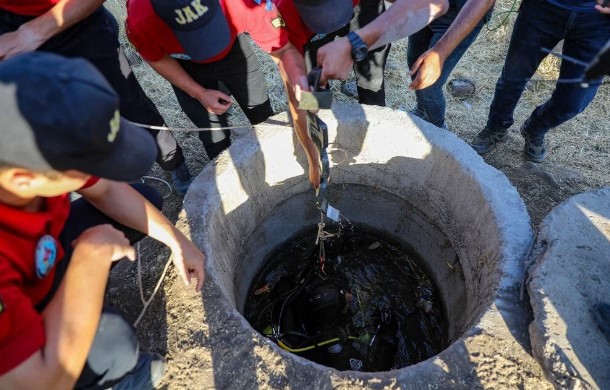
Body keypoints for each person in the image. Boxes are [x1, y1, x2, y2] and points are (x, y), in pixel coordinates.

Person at [0, 52, 205, 389]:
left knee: (146, 202)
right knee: (114, 341)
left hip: (41, 251)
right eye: (92, 163)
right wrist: (88, 261)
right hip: (19, 332)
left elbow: (107, 190)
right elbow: (40, 383)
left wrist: (177, 241)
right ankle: (116, 378)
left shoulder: (25, 148)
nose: (102, 174)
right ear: (25, 179)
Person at [0, 0, 194, 195]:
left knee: (130, 104)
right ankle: (114, 183)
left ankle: (174, 163)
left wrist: (33, 32)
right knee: (63, 122)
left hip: (79, 21)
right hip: (11, 32)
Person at [126, 0, 320, 184]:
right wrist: (199, 93)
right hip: (185, 66)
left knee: (259, 109)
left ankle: (276, 160)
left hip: (234, 53)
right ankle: (232, 184)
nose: (206, 44)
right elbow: (156, 58)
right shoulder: (141, 18)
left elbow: (283, 51)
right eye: (197, 37)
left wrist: (299, 79)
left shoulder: (243, 5)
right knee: (214, 136)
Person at [470, 0, 610, 162]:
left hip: (599, 22)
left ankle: (535, 128)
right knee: (512, 78)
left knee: (574, 100)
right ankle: (496, 126)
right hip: (542, 8)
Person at [276, 0, 391, 106]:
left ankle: (374, 109)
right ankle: (318, 118)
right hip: (309, 15)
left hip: (363, 5)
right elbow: (289, 54)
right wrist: (299, 79)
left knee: (371, 68)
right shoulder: (285, 8)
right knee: (312, 87)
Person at [315, 0, 449, 85]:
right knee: (313, 80)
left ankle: (375, 122)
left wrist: (356, 41)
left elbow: (436, 3)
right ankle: (314, 119)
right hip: (314, 17)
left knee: (372, 83)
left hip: (366, 12)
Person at [406, 0, 494, 129]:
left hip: (462, 14)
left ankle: (438, 133)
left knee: (429, 86)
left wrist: (440, 52)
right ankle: (422, 110)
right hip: (426, 6)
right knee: (415, 66)